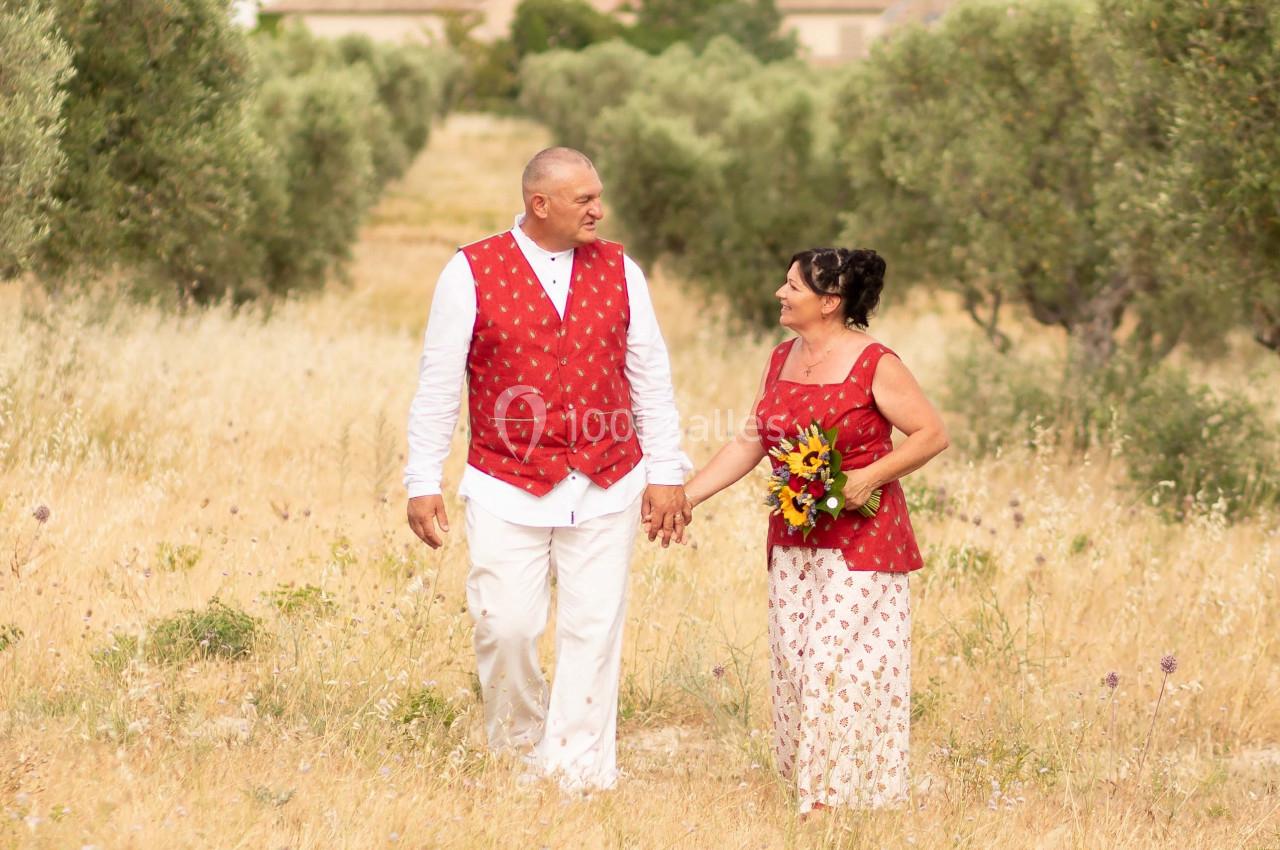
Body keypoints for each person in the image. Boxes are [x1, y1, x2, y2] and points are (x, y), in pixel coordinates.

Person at [403, 147, 691, 791]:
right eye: (584, 199)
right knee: (505, 626)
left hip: (608, 481)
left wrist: (667, 470)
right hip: (507, 484)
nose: (599, 209)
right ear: (541, 204)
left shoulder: (622, 270)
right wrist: (422, 479)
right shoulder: (470, 270)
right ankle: (518, 753)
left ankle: (578, 774)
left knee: (593, 631)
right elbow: (439, 382)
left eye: (598, 195)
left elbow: (650, 377)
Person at [682, 248, 948, 813]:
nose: (780, 293)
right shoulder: (781, 357)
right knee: (794, 663)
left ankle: (829, 800)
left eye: (792, 286)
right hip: (793, 536)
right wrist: (685, 498)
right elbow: (750, 442)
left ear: (829, 302)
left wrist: (868, 476)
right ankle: (812, 784)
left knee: (833, 660)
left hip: (864, 539)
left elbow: (930, 433)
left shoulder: (876, 363)